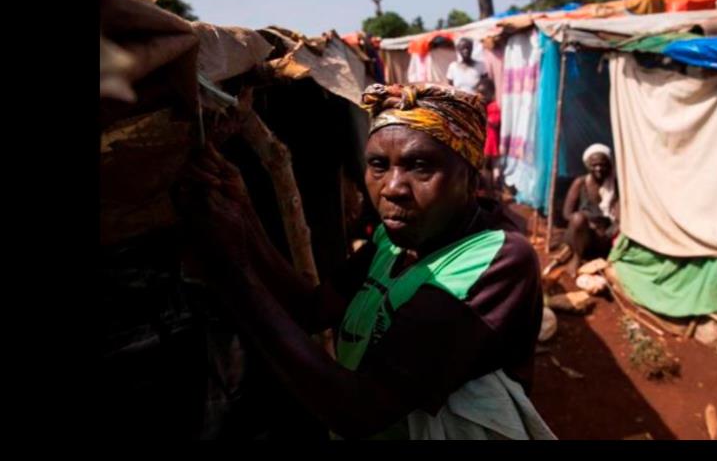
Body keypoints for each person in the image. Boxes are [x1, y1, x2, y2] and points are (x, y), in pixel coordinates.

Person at [176, 83, 554, 440]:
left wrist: (231, 270)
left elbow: (360, 409)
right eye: (378, 165)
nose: (392, 188)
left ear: (471, 177)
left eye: (420, 166)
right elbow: (313, 308)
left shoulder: (497, 260)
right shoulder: (394, 241)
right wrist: (244, 214)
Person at [562, 143, 620, 274]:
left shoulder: (614, 186)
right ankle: (576, 258)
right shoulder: (580, 183)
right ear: (588, 165)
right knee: (577, 219)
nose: (598, 168)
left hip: (604, 236)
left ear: (609, 165)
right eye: (594, 165)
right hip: (582, 234)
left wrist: (613, 227)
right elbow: (567, 214)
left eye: (602, 164)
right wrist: (588, 222)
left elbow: (619, 213)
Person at [474, 77, 502, 200]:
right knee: (486, 167)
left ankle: (492, 192)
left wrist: (485, 116)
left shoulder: (493, 107)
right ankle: (489, 191)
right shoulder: (480, 107)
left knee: (489, 167)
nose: (482, 96)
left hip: (491, 142)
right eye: (480, 93)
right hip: (484, 142)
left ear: (492, 93)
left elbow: (495, 122)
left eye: (485, 93)